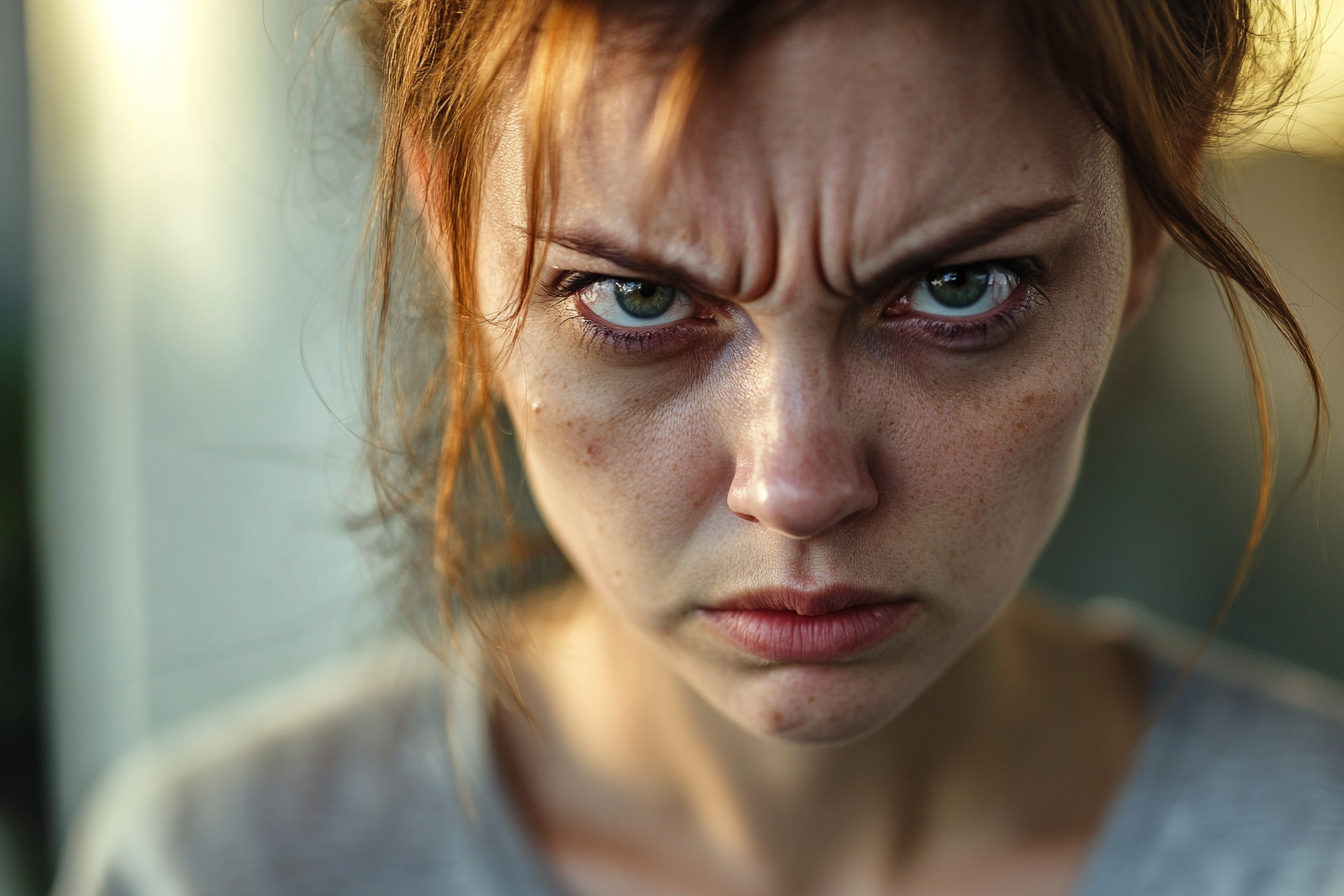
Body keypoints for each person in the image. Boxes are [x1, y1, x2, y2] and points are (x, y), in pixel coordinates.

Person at [54, 0, 1344, 894]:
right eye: (640, 299)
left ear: (1150, 227)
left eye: (959, 290)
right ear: (451, 233)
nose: (797, 487)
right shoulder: (221, 871)